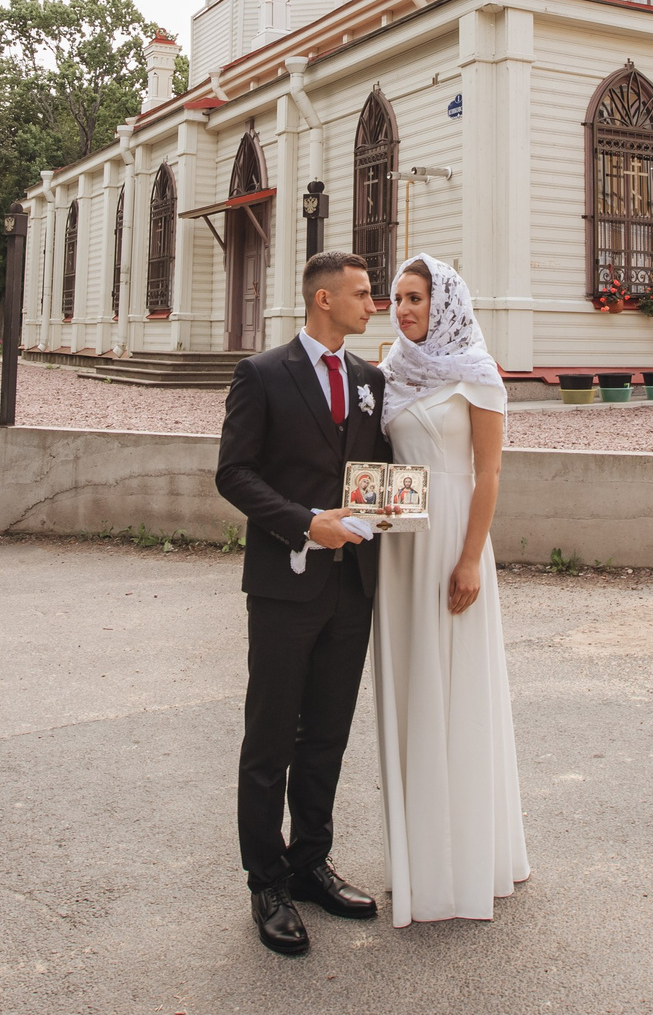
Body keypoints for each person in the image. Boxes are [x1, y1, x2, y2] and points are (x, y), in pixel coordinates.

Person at [213, 249, 390, 957]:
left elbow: (375, 471)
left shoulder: (370, 378)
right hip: (285, 585)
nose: (373, 303)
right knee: (270, 739)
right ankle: (268, 880)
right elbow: (233, 473)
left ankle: (311, 860)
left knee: (327, 733)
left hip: (353, 586)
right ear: (323, 299)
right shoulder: (261, 374)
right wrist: (301, 520)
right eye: (362, 293)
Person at [372, 253, 530, 926]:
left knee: (457, 689)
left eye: (417, 296)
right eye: (397, 297)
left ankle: (467, 861)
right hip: (400, 550)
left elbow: (489, 473)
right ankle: (419, 859)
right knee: (411, 691)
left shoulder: (476, 373)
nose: (404, 308)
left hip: (453, 545)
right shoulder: (390, 369)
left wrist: (470, 558)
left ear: (446, 302)